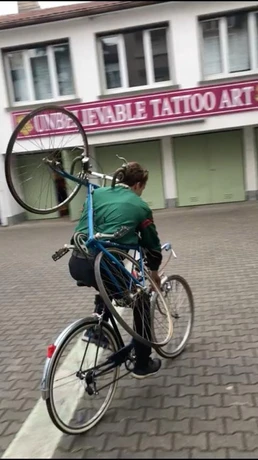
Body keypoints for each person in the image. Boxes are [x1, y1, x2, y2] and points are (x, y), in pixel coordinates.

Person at [69, 161, 163, 379]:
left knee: (110, 284)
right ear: (138, 184)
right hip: (102, 263)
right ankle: (142, 362)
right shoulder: (140, 206)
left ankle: (97, 330)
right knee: (141, 302)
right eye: (142, 189)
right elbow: (152, 244)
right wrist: (155, 270)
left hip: (76, 261)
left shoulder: (98, 193)